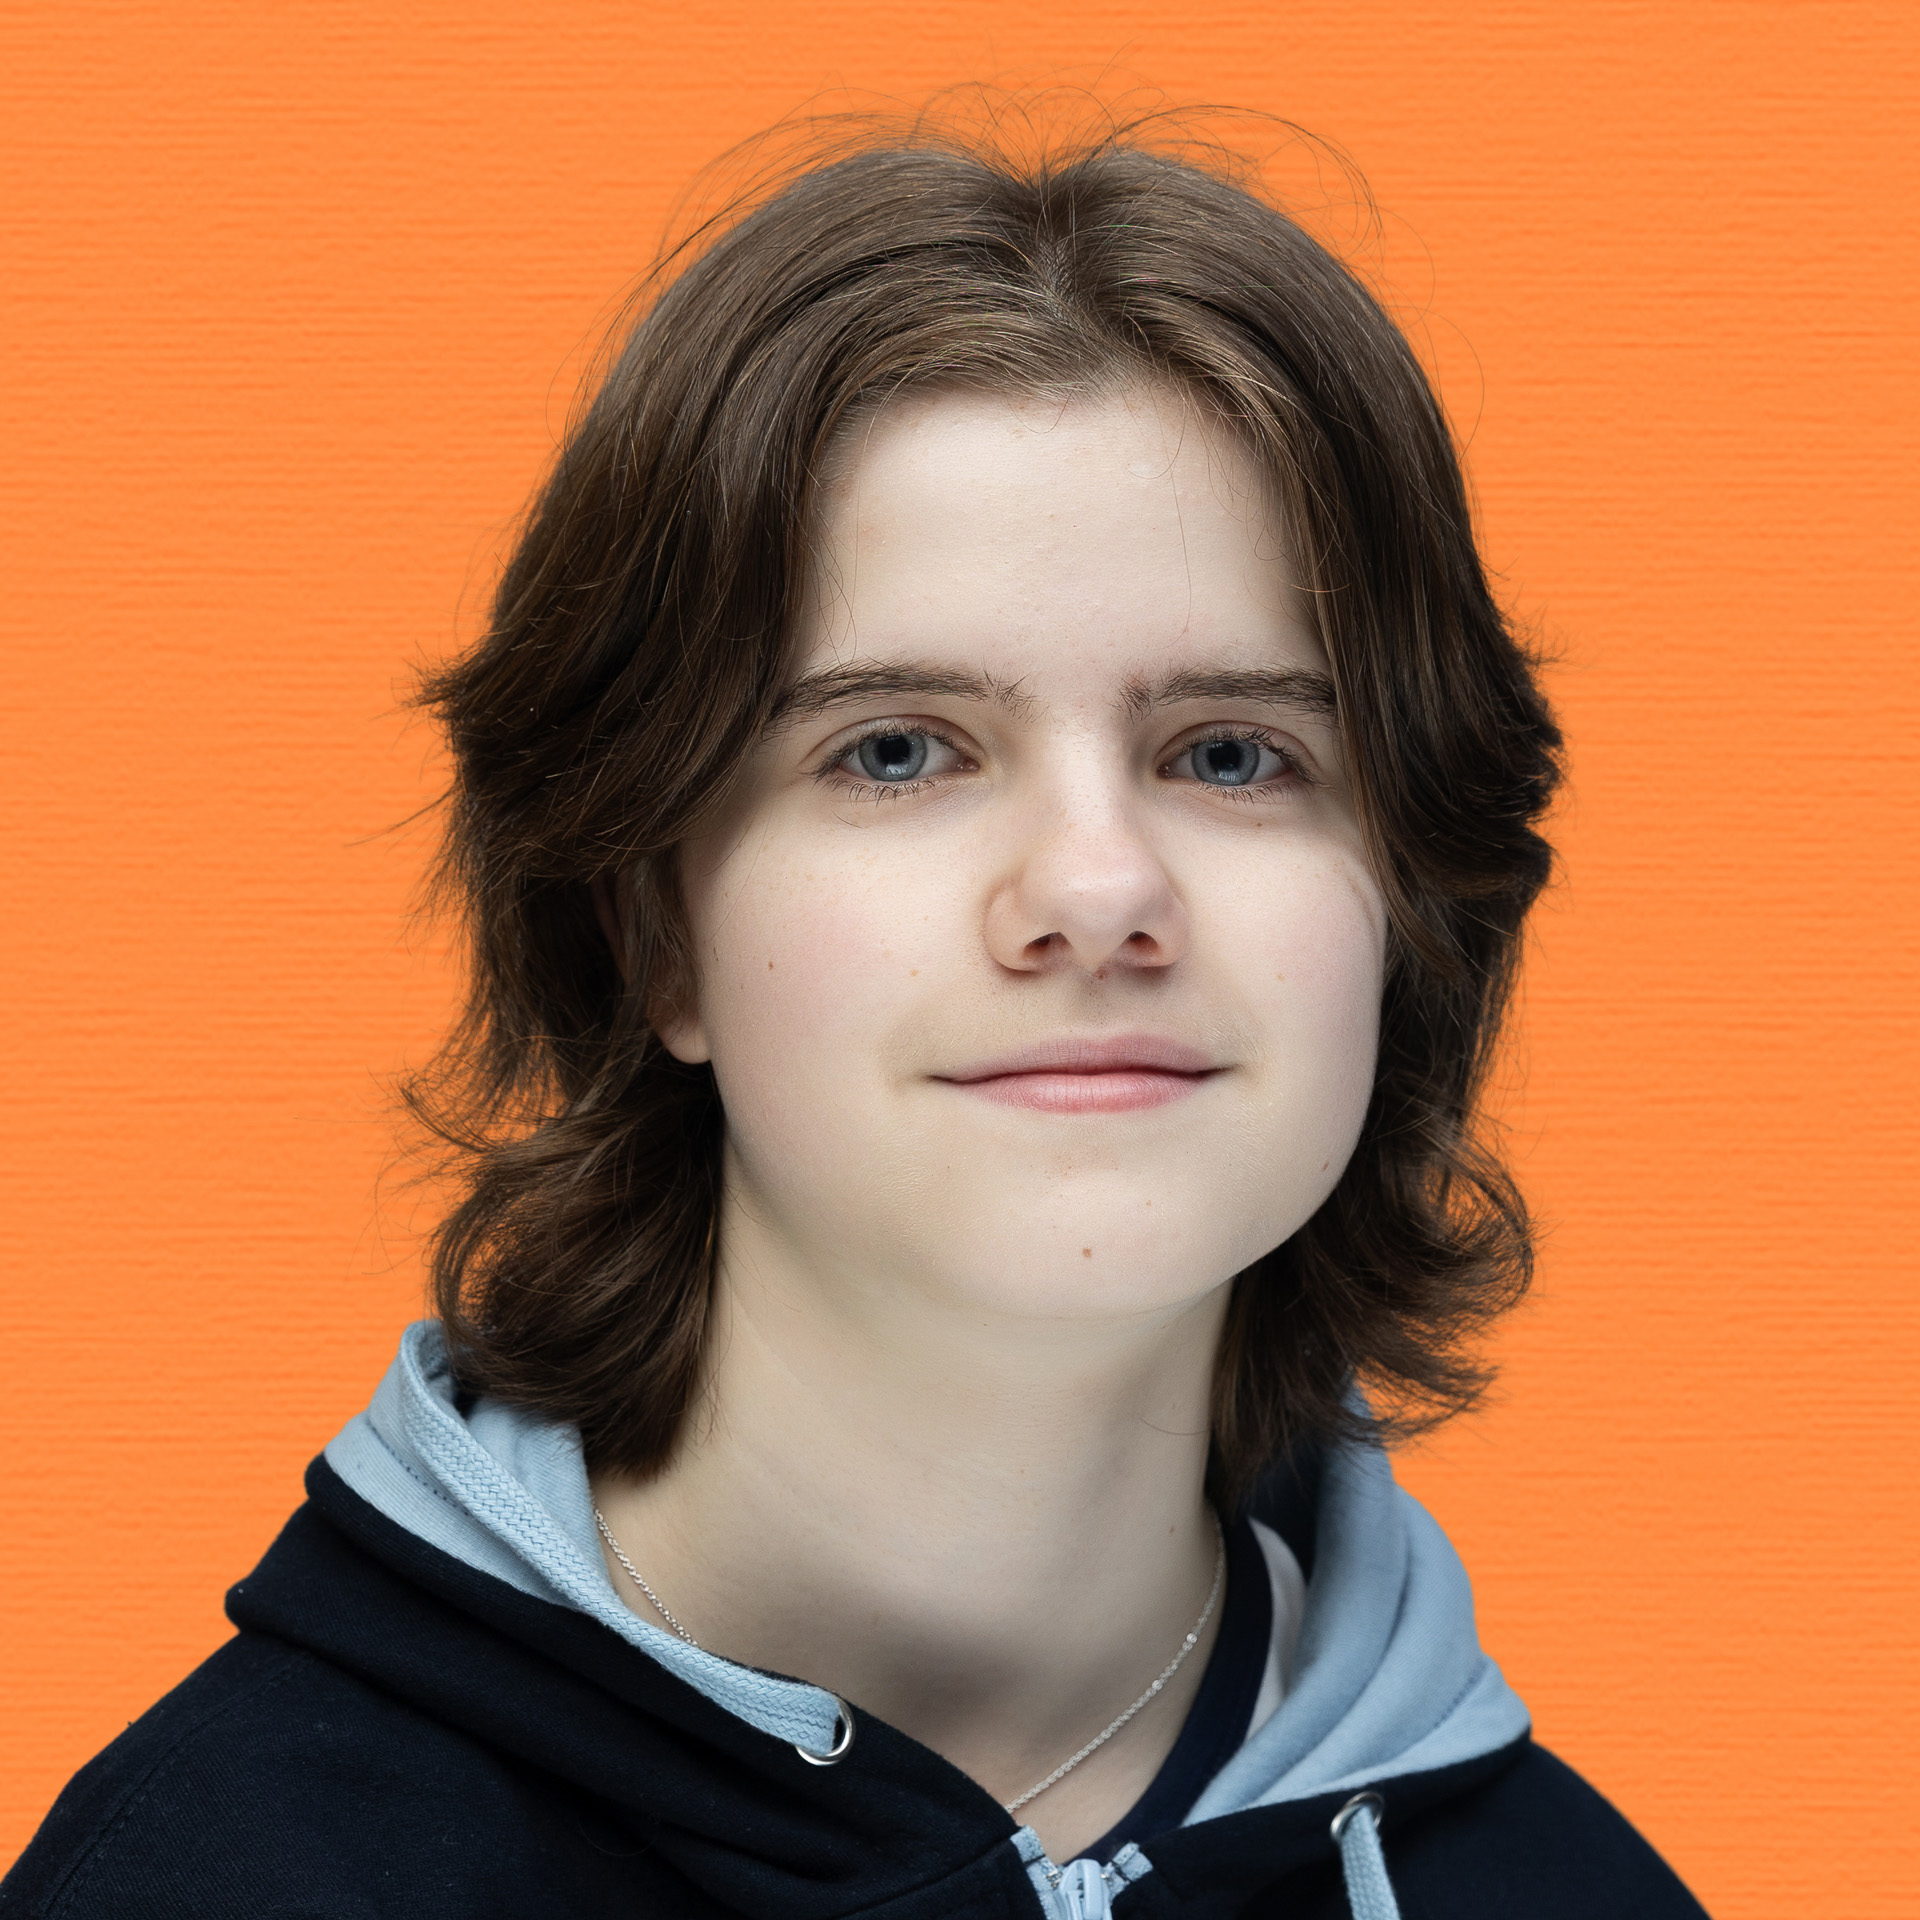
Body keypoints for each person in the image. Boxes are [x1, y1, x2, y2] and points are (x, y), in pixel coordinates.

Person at [1, 120, 1710, 1920]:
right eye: (896, 750)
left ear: (1409, 914)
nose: (1097, 887)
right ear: (653, 927)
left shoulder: (1565, 1894)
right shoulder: (229, 1874)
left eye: (1233, 753)